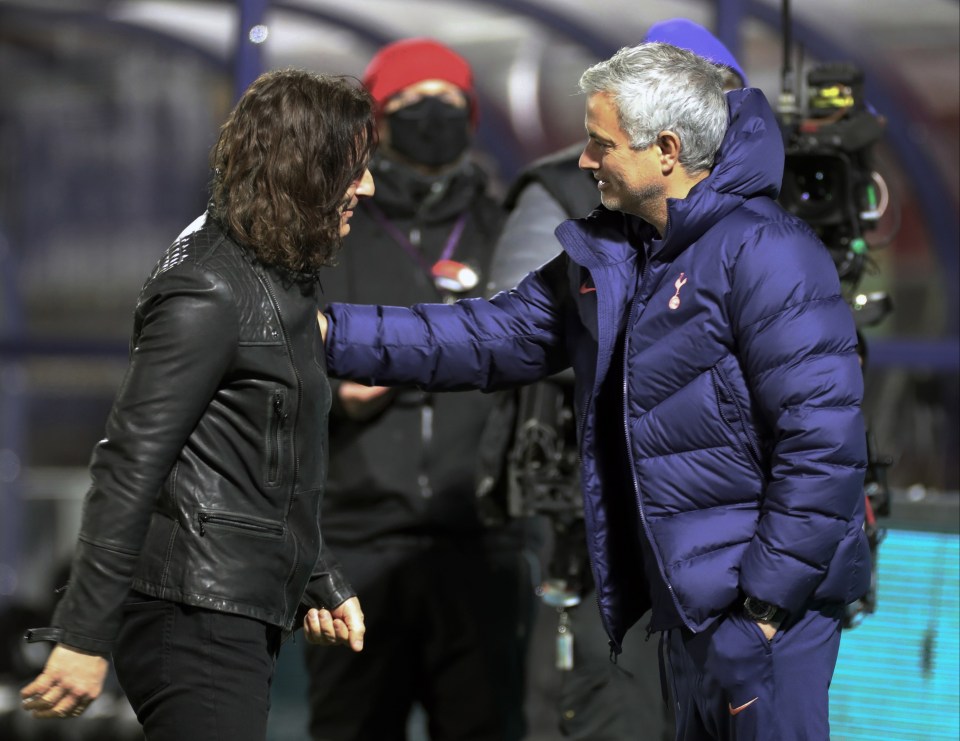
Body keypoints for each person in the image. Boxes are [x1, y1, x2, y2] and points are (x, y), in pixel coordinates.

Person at [319, 42, 871, 741]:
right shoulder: (617, 252)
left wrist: (761, 608)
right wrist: (325, 331)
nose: (583, 160)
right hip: (691, 609)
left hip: (761, 619)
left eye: (599, 143)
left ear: (665, 150)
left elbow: (822, 447)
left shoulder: (766, 253)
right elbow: (487, 336)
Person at [19, 69, 374, 740]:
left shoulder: (276, 271)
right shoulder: (209, 287)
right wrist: (83, 634)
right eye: (353, 168)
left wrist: (315, 573)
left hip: (232, 609)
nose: (368, 187)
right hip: (193, 622)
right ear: (303, 167)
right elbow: (129, 465)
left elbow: (254, 462)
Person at [483, 20, 747, 740]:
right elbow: (510, 324)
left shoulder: (763, 227)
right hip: (609, 543)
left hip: (735, 576)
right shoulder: (570, 193)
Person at [302, 38, 534, 741]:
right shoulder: (333, 231)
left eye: (446, 101)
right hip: (357, 540)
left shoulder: (505, 230)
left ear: (468, 117)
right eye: (407, 103)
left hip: (481, 541)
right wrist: (332, 395)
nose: (428, 115)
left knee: (483, 725)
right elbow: (284, 348)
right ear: (378, 121)